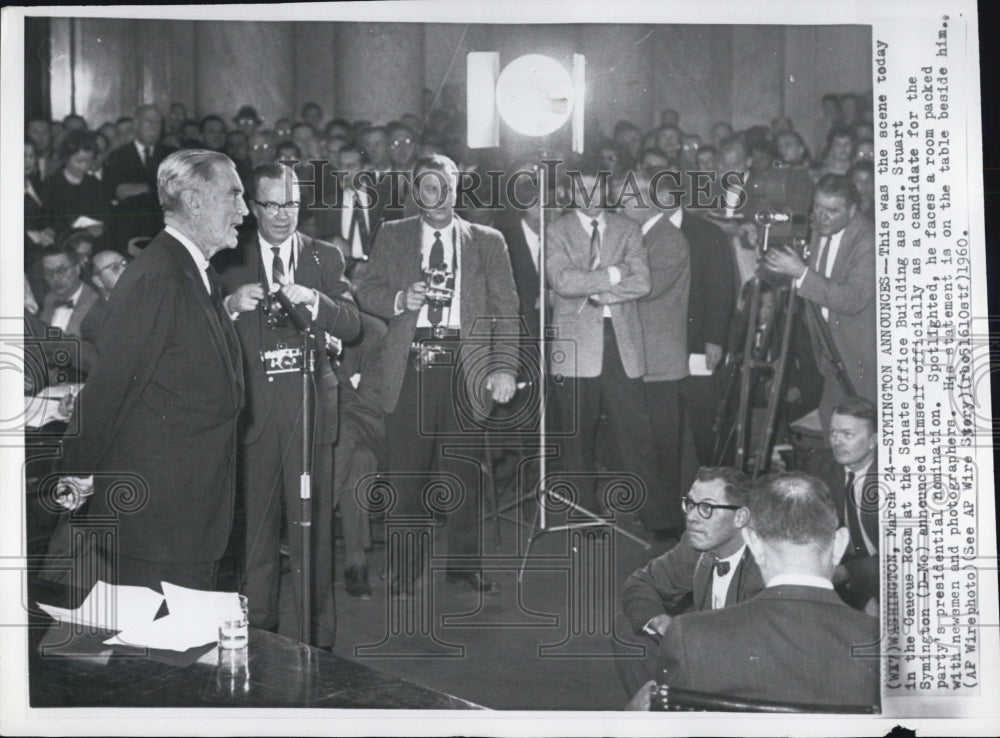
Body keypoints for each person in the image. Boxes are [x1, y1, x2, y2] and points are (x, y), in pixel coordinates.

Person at [55, 149, 248, 591]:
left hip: (188, 510)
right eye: (233, 195)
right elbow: (111, 384)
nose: (243, 210)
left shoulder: (196, 270)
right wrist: (79, 467)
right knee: (166, 654)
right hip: (158, 520)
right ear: (194, 201)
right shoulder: (158, 275)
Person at [352, 154, 520, 596]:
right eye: (429, 187)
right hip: (411, 367)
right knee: (406, 475)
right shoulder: (393, 234)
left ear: (457, 185)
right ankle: (404, 568)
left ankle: (464, 566)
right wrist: (400, 299)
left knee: (464, 472)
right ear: (417, 193)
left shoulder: (488, 240)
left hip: (466, 367)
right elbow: (364, 288)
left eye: (446, 185)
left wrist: (503, 367)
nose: (439, 195)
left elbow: (507, 310)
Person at [215, 163, 360, 647]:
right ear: (253, 208)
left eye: (291, 204)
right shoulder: (228, 260)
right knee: (255, 540)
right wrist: (231, 306)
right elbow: (199, 327)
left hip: (311, 414)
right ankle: (260, 641)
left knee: (314, 539)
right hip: (253, 416)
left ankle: (319, 645)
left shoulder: (325, 257)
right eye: (272, 204)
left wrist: (318, 302)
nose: (282, 215)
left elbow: (352, 326)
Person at [626, 471, 880, 710]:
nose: (692, 516)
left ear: (754, 543)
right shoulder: (885, 645)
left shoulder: (689, 637)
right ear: (840, 544)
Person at [546, 168, 661, 531]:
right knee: (577, 437)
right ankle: (586, 518)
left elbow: (642, 281)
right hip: (577, 345)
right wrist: (614, 274)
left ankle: (659, 515)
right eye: (583, 190)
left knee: (636, 431)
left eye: (598, 189)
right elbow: (562, 281)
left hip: (621, 343)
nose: (591, 197)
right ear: (569, 192)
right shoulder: (556, 229)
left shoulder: (627, 228)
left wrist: (597, 291)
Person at [614, 467, 764, 698]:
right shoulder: (697, 544)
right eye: (690, 504)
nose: (692, 517)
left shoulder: (764, 565)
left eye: (707, 508)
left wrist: (691, 640)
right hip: (709, 655)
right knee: (628, 626)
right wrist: (660, 621)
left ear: (741, 517)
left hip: (749, 675)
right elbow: (640, 582)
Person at [761, 174, 876, 430]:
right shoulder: (819, 226)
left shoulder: (869, 241)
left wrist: (801, 272)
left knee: (861, 432)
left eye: (832, 211)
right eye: (818, 208)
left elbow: (853, 299)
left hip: (860, 357)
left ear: (853, 210)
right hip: (828, 353)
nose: (821, 218)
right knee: (832, 426)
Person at [623, 172, 691, 538]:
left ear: (644, 202)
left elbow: (644, 288)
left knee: (665, 444)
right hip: (642, 357)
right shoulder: (642, 236)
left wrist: (603, 281)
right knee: (646, 439)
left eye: (626, 201)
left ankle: (669, 520)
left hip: (661, 362)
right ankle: (656, 511)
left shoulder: (668, 239)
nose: (620, 207)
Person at [807, 396, 879, 613]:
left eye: (847, 434)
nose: (836, 442)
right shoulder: (821, 466)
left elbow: (903, 555)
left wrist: (849, 573)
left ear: (873, 440)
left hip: (890, 577)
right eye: (833, 433)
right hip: (840, 579)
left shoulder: (897, 477)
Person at [333, 312, 387, 599]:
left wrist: (338, 393)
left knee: (345, 435)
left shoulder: (374, 332)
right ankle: (356, 560)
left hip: (373, 428)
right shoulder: (310, 324)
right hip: (331, 434)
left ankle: (313, 519)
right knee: (357, 461)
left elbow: (373, 403)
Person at [103, 104, 176, 249]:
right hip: (130, 231)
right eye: (149, 121)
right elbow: (121, 192)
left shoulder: (172, 156)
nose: (154, 127)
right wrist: (156, 188)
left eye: (158, 123)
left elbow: (176, 191)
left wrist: (144, 188)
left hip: (165, 231)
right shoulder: (118, 157)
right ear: (136, 124)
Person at [38, 242, 103, 380]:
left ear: (78, 269)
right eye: (48, 273)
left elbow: (100, 363)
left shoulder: (97, 304)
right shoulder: (49, 299)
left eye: (61, 270)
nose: (55, 278)